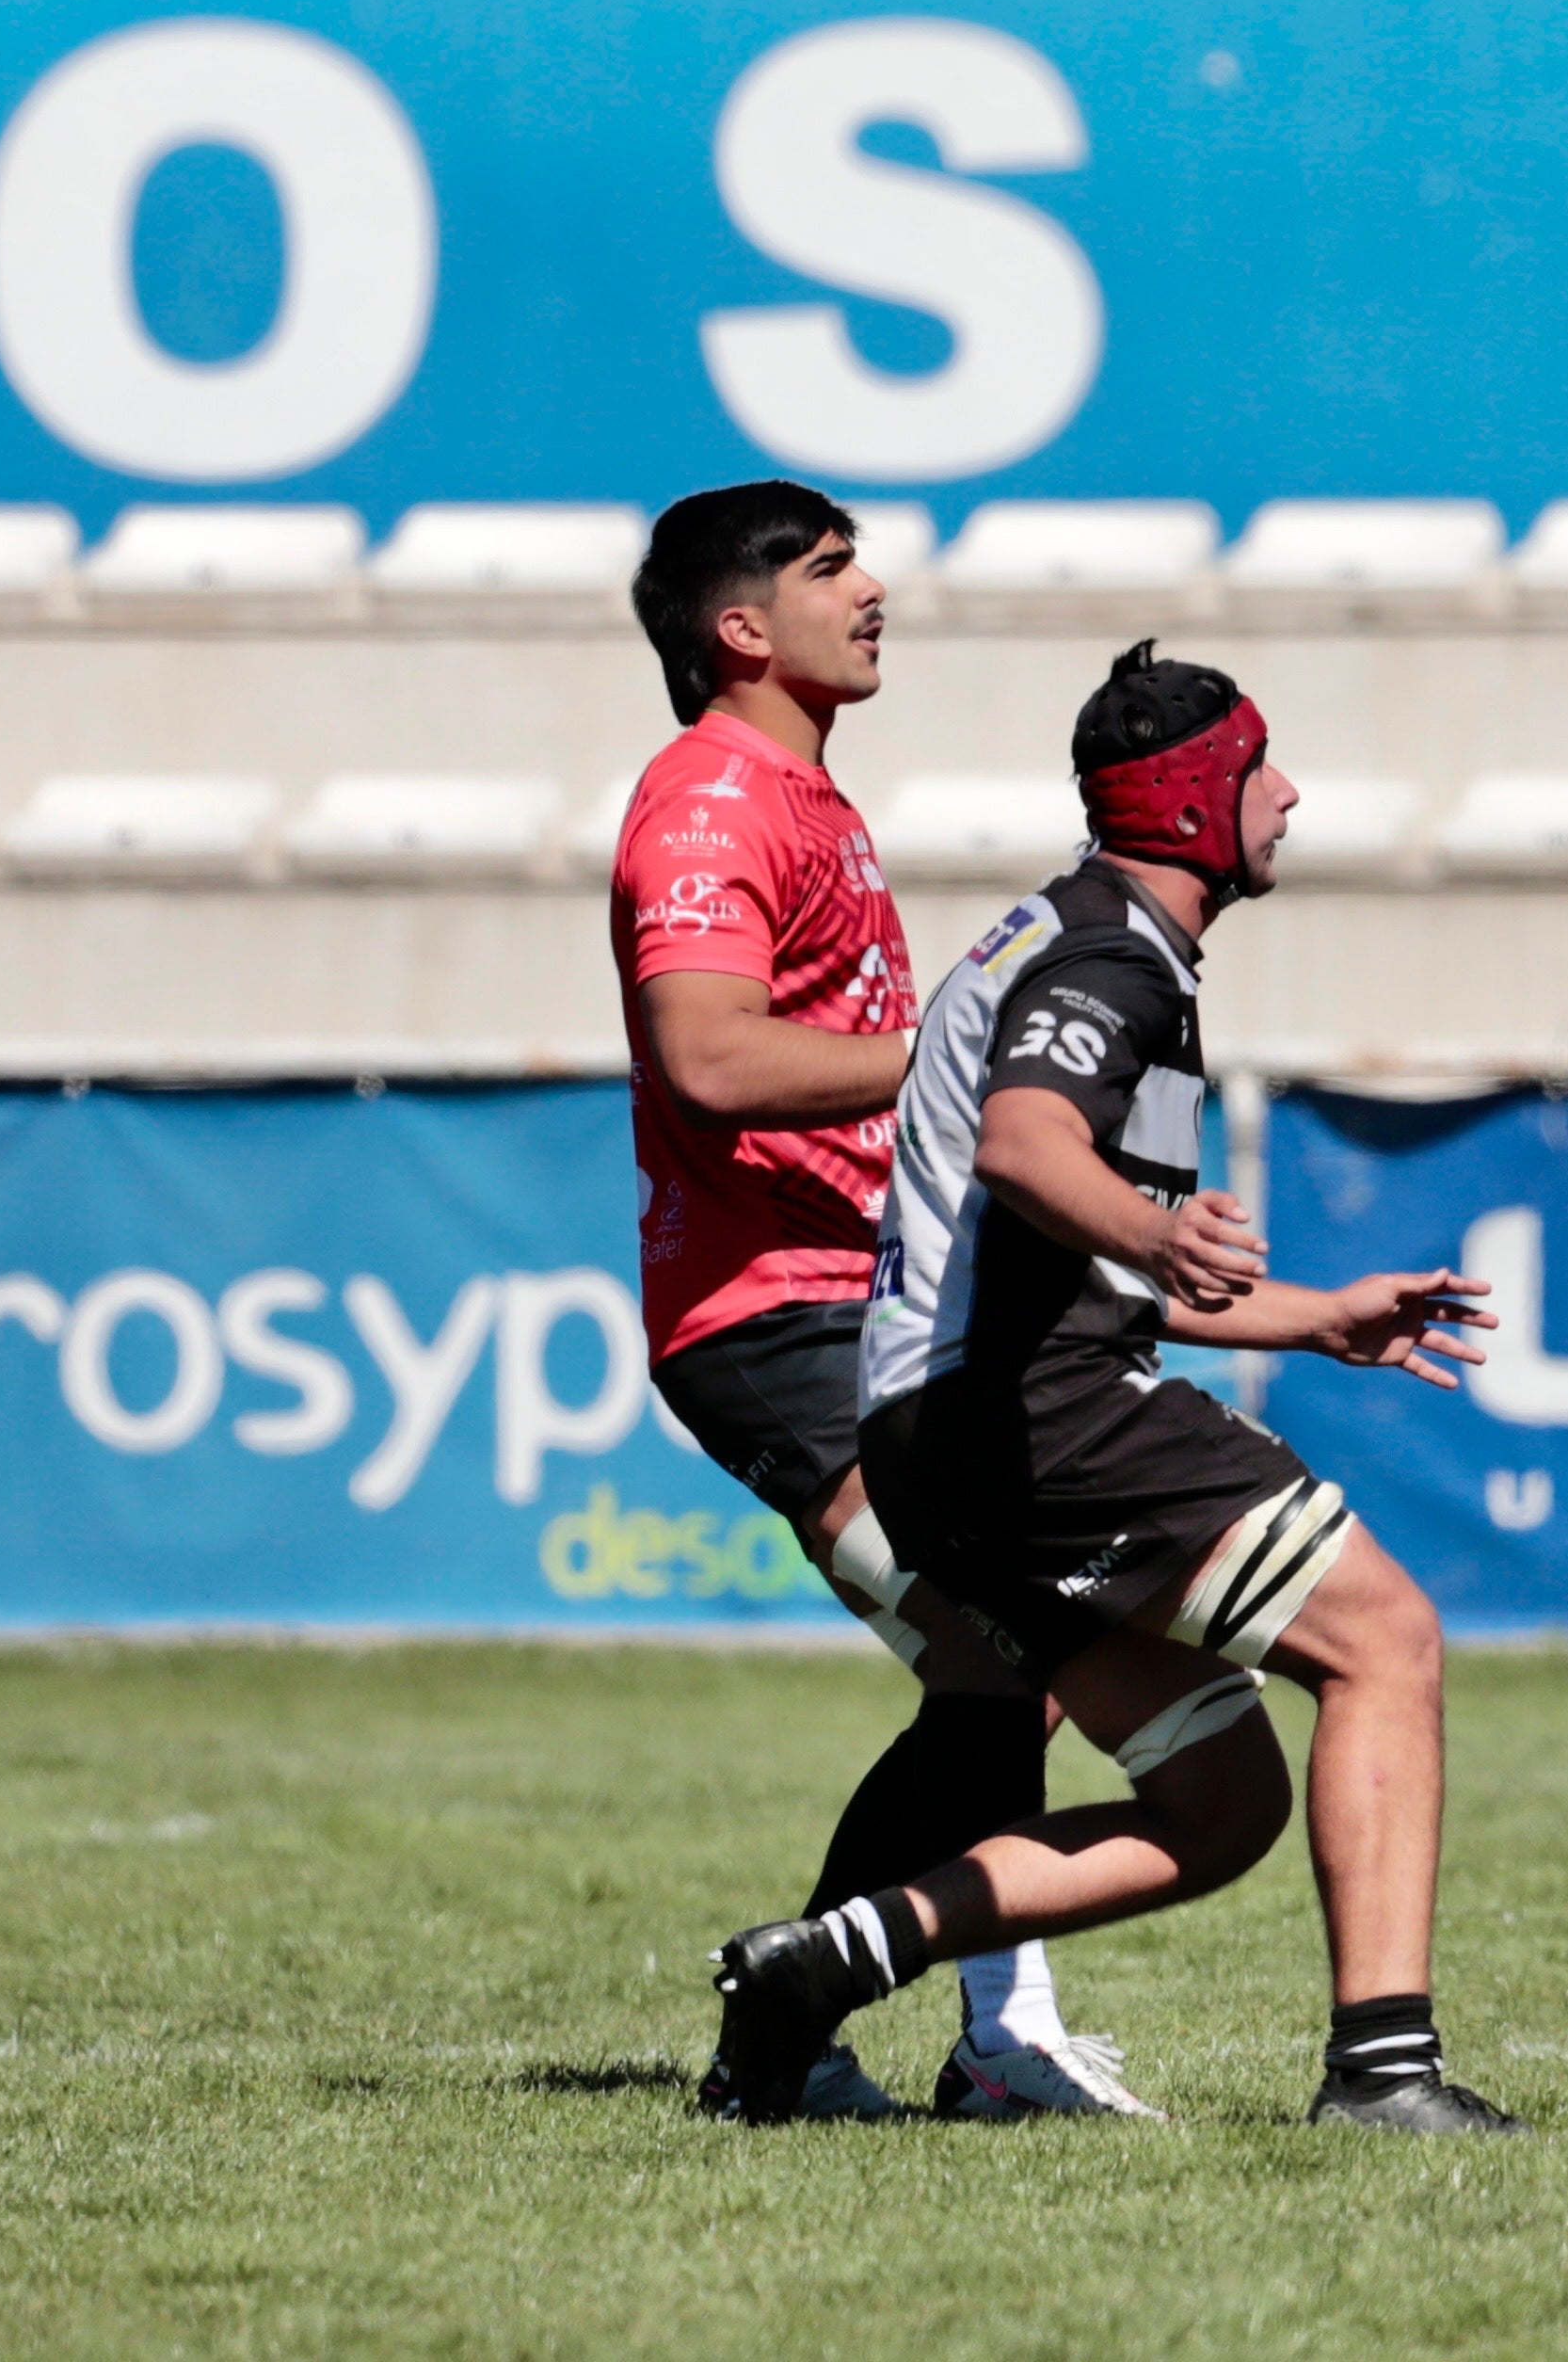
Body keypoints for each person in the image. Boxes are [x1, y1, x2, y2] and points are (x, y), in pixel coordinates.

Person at [702, 648, 1515, 2135]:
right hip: (1036, 1417)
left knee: (1220, 1809)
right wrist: (1150, 1227)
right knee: (1385, 1643)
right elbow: (1025, 1144)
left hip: (951, 1432)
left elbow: (1055, 1241)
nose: (1288, 796)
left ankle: (821, 1965)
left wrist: (1314, 1317)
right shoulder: (1110, 956)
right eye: (1261, 771)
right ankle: (1385, 2074)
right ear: (1200, 804)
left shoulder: (1070, 939)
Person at [618, 481, 1136, 2120]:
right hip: (775, 1319)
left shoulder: (804, 793)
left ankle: (841, 2036)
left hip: (859, 1302)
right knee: (995, 1646)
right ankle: (921, 2037)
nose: (874, 590)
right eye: (832, 568)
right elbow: (706, 1058)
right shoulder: (710, 799)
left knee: (1004, 1666)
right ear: (740, 626)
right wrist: (949, 1067)